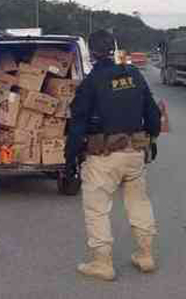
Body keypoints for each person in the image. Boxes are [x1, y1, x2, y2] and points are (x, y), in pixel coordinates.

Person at [66, 29, 161, 281]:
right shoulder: (133, 74)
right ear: (115, 48)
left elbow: (77, 124)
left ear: (91, 52)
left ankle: (102, 263)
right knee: (139, 203)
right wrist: (152, 139)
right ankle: (145, 255)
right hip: (135, 153)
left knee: (97, 208)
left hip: (104, 157)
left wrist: (70, 159)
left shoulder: (91, 82)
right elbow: (152, 113)